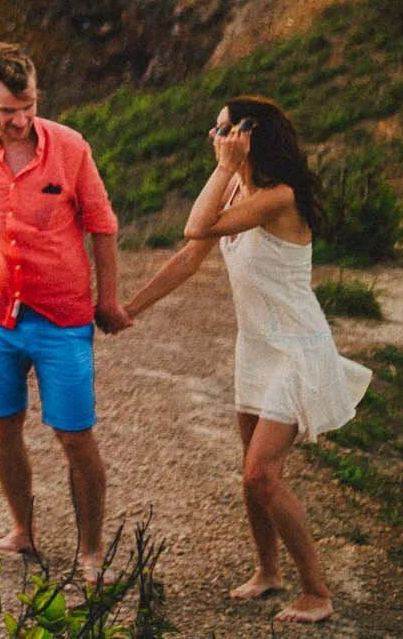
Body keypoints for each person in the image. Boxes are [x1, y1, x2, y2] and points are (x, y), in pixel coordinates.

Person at [123, 96, 370, 625]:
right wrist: (131, 308)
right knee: (249, 475)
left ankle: (317, 592)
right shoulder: (239, 189)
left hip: (296, 348)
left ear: (248, 134)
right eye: (214, 132)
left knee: (262, 475)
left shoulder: (279, 197)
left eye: (222, 131)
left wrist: (225, 168)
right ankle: (268, 572)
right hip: (257, 346)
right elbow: (191, 257)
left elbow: (194, 227)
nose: (214, 139)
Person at [0, 40, 130, 583]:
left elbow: (103, 226)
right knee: (2, 427)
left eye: (29, 107)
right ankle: (22, 531)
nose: (21, 120)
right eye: (8, 111)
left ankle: (90, 550)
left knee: (74, 436)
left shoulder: (70, 148)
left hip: (61, 318)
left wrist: (108, 300)